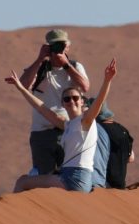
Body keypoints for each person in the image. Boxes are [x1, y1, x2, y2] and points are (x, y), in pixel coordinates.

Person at [5, 59, 117, 193]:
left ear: (82, 102)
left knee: (23, 182)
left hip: (75, 179)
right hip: (68, 176)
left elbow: (98, 102)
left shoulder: (85, 121)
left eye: (75, 98)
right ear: (63, 104)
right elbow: (41, 108)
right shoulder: (67, 124)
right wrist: (21, 88)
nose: (72, 101)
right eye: (67, 99)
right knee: (28, 180)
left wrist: (107, 80)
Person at [19, 29, 90, 175]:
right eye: (54, 46)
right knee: (44, 176)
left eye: (61, 46)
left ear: (68, 47)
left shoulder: (75, 67)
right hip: (42, 131)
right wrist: (39, 59)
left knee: (68, 176)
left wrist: (65, 65)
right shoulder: (40, 68)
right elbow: (23, 86)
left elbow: (85, 87)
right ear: (47, 47)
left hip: (68, 130)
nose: (58, 49)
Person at [96, 102, 135, 189]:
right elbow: (131, 158)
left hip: (104, 185)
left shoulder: (97, 130)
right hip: (120, 184)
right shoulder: (122, 129)